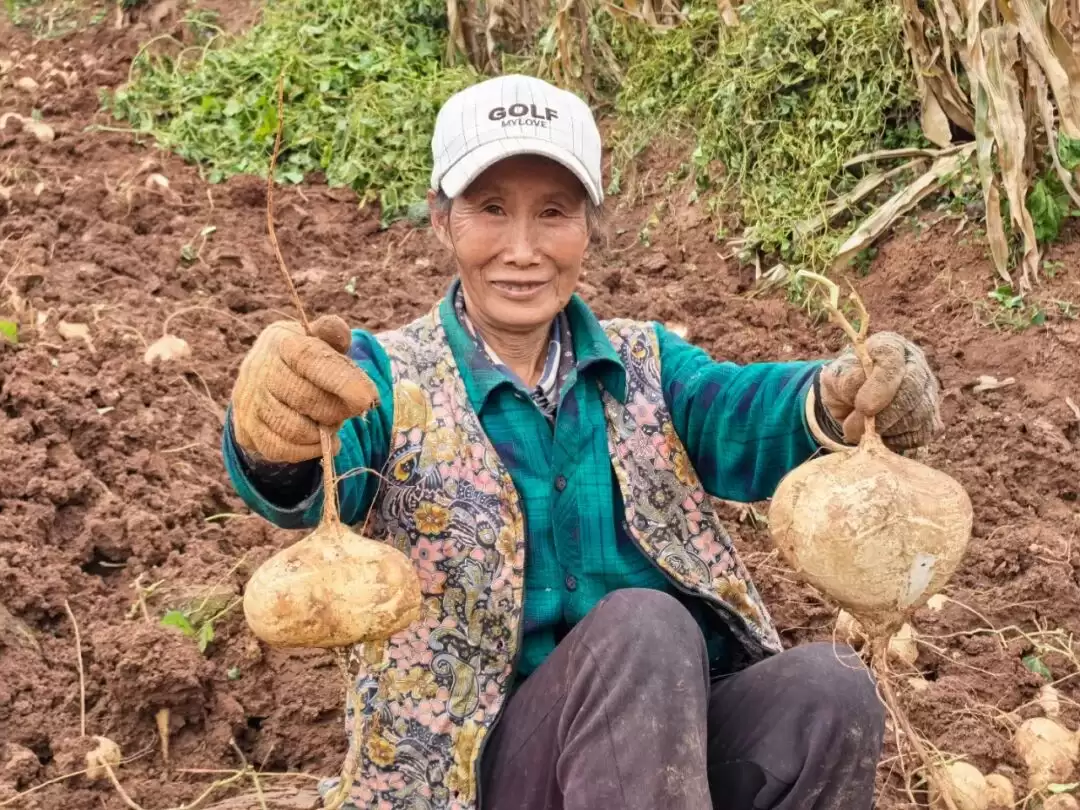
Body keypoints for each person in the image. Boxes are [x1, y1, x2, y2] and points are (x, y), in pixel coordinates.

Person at [223, 74, 943, 810]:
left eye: (554, 213)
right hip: (484, 773)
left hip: (662, 748)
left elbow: (741, 414)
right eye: (491, 210)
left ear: (589, 227)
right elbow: (312, 475)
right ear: (442, 220)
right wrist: (271, 435)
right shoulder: (388, 377)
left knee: (829, 689)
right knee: (645, 627)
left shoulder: (646, 365)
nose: (523, 249)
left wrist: (836, 394)